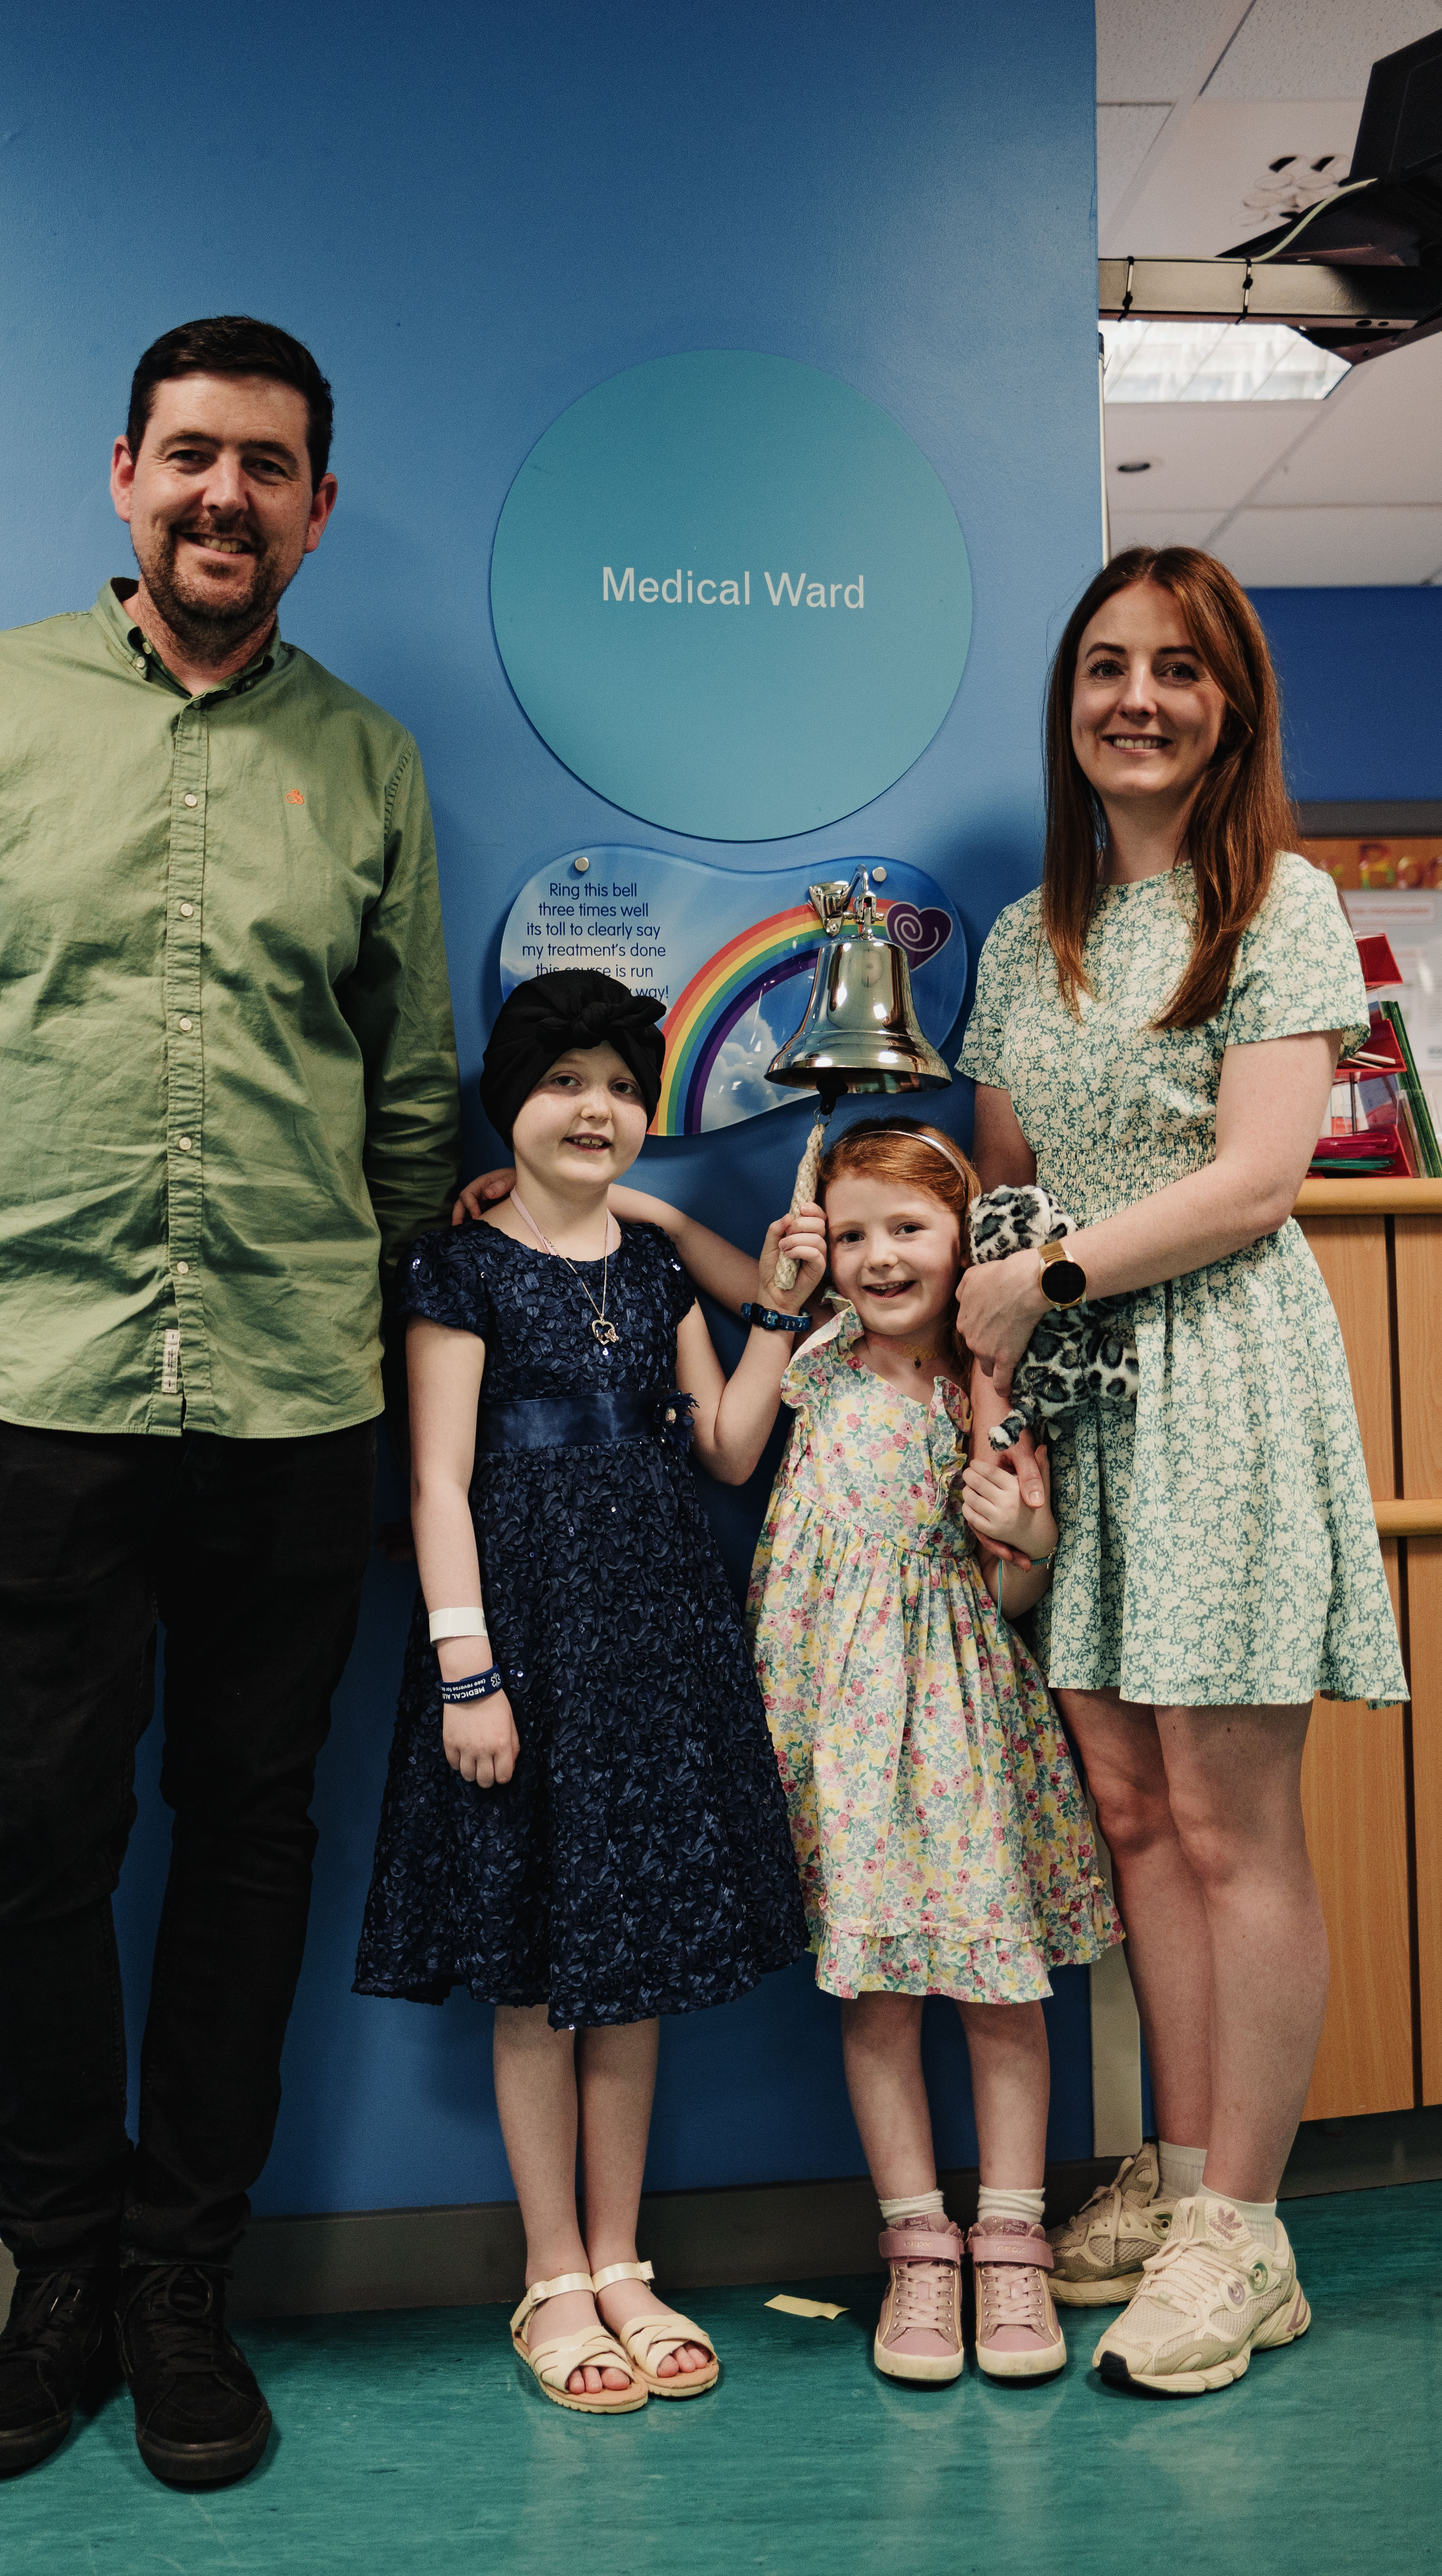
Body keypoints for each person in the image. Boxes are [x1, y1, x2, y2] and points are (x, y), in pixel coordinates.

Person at [0, 316, 459, 2487]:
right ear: (122, 475)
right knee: (35, 1850)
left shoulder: (364, 764)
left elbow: (416, 1106)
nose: (224, 499)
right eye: (191, 457)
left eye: (267, 467)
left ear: (316, 507)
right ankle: (56, 2280)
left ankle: (189, 2286)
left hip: (292, 1401)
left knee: (255, 1847)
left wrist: (405, 1396)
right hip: (38, 1389)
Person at [955, 546, 1407, 2397]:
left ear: (1232, 706)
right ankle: (1178, 2165)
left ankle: (1251, 2234)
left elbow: (1257, 1179)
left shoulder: (1279, 902)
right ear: (1071, 706)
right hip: (1079, 1412)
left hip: (1220, 1384)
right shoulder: (1015, 940)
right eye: (1106, 669)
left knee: (1233, 1828)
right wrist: (1004, 1406)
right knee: (1136, 1822)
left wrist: (1043, 1279)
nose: (1138, 698)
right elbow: (1000, 1180)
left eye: (1179, 671)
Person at [353, 970, 819, 2413]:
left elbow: (735, 1451)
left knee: (635, 1979)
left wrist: (773, 1305)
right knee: (538, 1977)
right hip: (523, 1658)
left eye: (620, 1084)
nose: (595, 1107)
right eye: (565, 1081)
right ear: (514, 1101)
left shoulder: (659, 1270)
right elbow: (435, 1481)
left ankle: (625, 2262)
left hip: (661, 1648)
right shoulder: (461, 1269)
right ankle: (553, 2276)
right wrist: (465, 1674)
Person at [745, 1117, 1120, 2383]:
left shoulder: (989, 1388)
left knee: (1002, 1993)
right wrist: (639, 1217)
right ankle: (918, 2251)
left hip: (961, 1723)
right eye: (852, 1233)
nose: (877, 1256)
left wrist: (1028, 1534)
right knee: (877, 1996)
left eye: (906, 1228)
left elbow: (1015, 1592)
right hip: (839, 1731)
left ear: (961, 1238)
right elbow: (726, 1268)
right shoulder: (818, 1361)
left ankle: (1010, 2248)